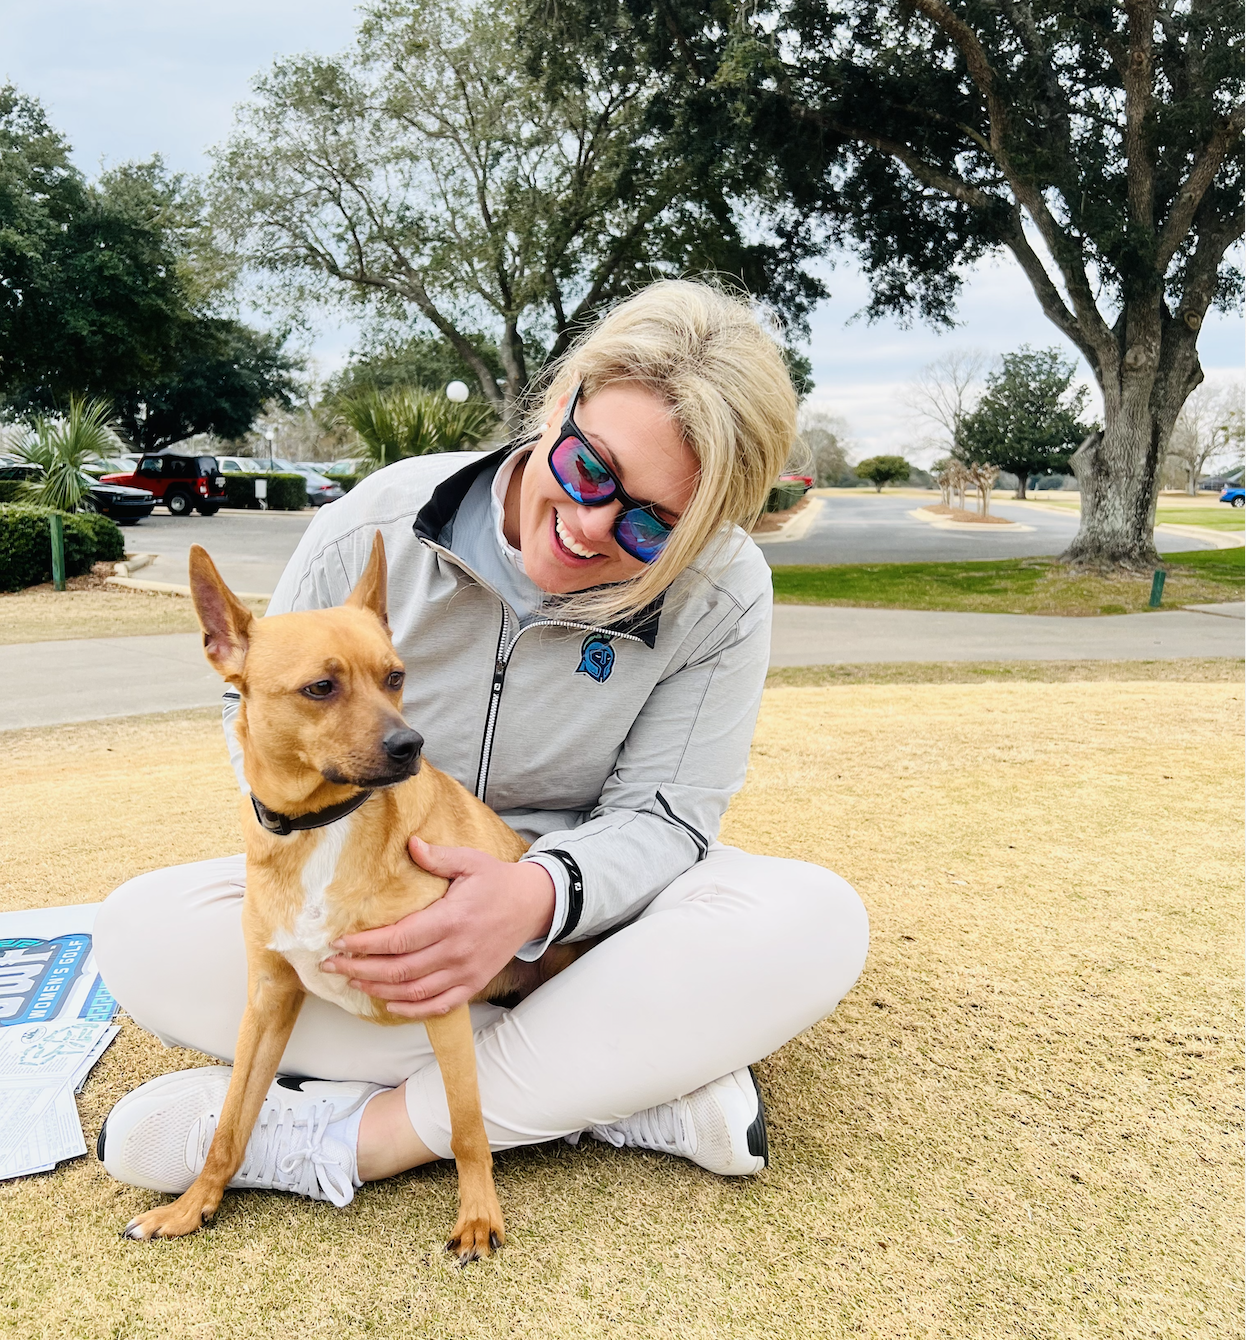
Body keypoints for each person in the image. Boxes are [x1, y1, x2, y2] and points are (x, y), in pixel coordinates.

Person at [94, 280, 869, 1209]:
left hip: (584, 925)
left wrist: (531, 897)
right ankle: (622, 1093)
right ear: (558, 405)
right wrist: (358, 867)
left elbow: (667, 815)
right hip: (368, 887)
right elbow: (259, 709)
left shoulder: (723, 592)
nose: (591, 527)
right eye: (589, 470)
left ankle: (349, 1137)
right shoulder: (372, 522)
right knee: (138, 933)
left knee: (813, 921)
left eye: (654, 523)